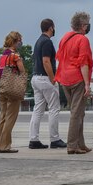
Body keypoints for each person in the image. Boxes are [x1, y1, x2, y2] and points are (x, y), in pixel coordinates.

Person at [55, 12, 93, 155]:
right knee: (76, 114)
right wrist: (87, 84)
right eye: (87, 24)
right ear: (83, 26)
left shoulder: (65, 37)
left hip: (64, 78)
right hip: (77, 78)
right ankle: (72, 145)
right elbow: (83, 63)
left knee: (78, 112)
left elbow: (59, 56)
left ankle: (80, 143)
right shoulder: (82, 40)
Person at [28, 18, 66, 149]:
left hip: (35, 78)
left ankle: (33, 139)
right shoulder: (47, 42)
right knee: (54, 108)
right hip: (45, 78)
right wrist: (53, 78)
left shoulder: (38, 41)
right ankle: (54, 139)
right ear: (51, 28)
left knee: (38, 110)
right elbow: (46, 61)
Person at [0, 31, 26, 153]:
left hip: (2, 88)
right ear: (15, 41)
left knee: (2, 116)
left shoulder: (2, 56)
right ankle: (5, 145)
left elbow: (0, 72)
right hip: (12, 89)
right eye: (19, 40)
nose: (21, 43)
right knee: (11, 117)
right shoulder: (15, 56)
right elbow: (22, 72)